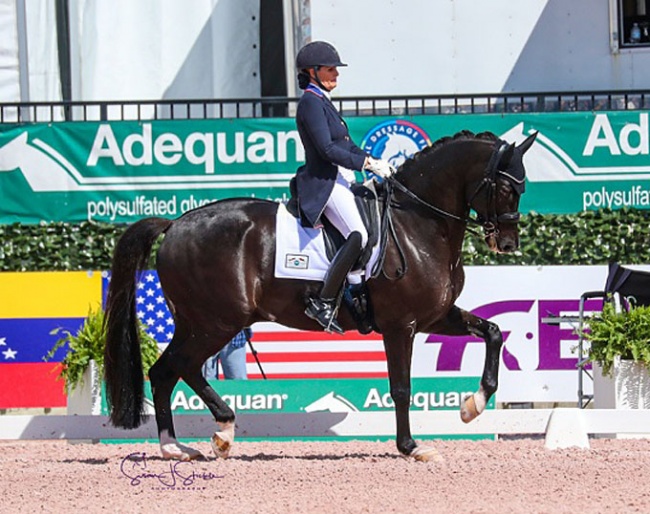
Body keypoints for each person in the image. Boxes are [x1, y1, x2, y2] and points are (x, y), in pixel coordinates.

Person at [292, 41, 395, 334]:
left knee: (373, 229)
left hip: (342, 179)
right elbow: (326, 149)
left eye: (335, 68)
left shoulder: (323, 100)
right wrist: (365, 163)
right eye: (329, 69)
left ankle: (357, 288)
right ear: (312, 72)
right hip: (324, 182)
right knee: (359, 234)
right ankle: (323, 301)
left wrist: (372, 161)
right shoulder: (311, 102)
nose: (336, 73)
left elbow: (345, 145)